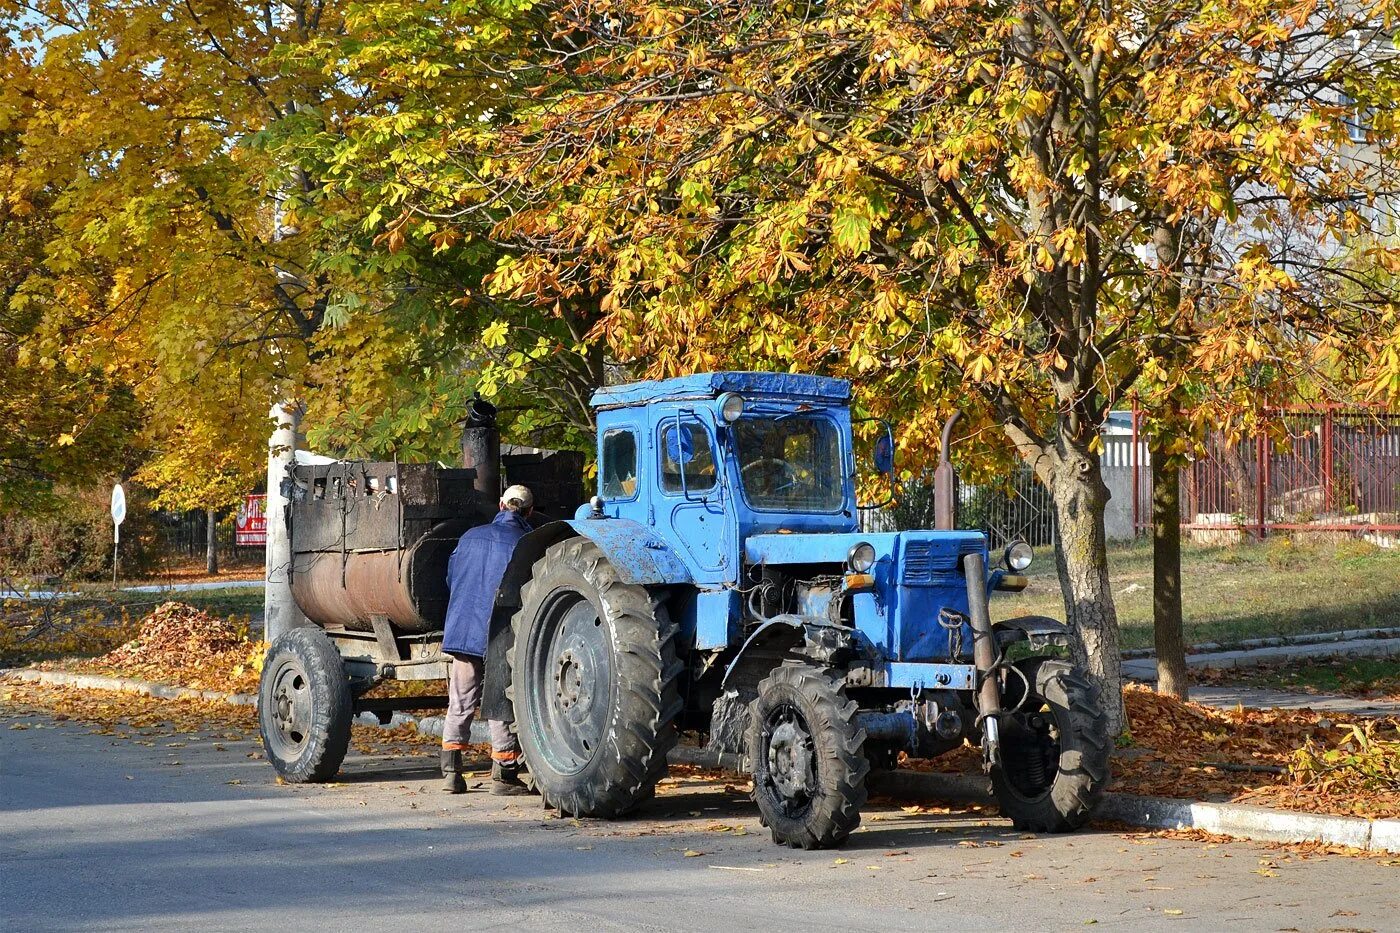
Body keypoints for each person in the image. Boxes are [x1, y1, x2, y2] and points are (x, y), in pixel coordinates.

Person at [439, 484, 535, 796]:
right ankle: (503, 774)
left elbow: (451, 578)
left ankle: (451, 771)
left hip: (463, 628)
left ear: (501, 505)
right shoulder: (526, 543)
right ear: (529, 511)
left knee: (461, 699)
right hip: (500, 632)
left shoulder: (469, 537)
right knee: (499, 700)